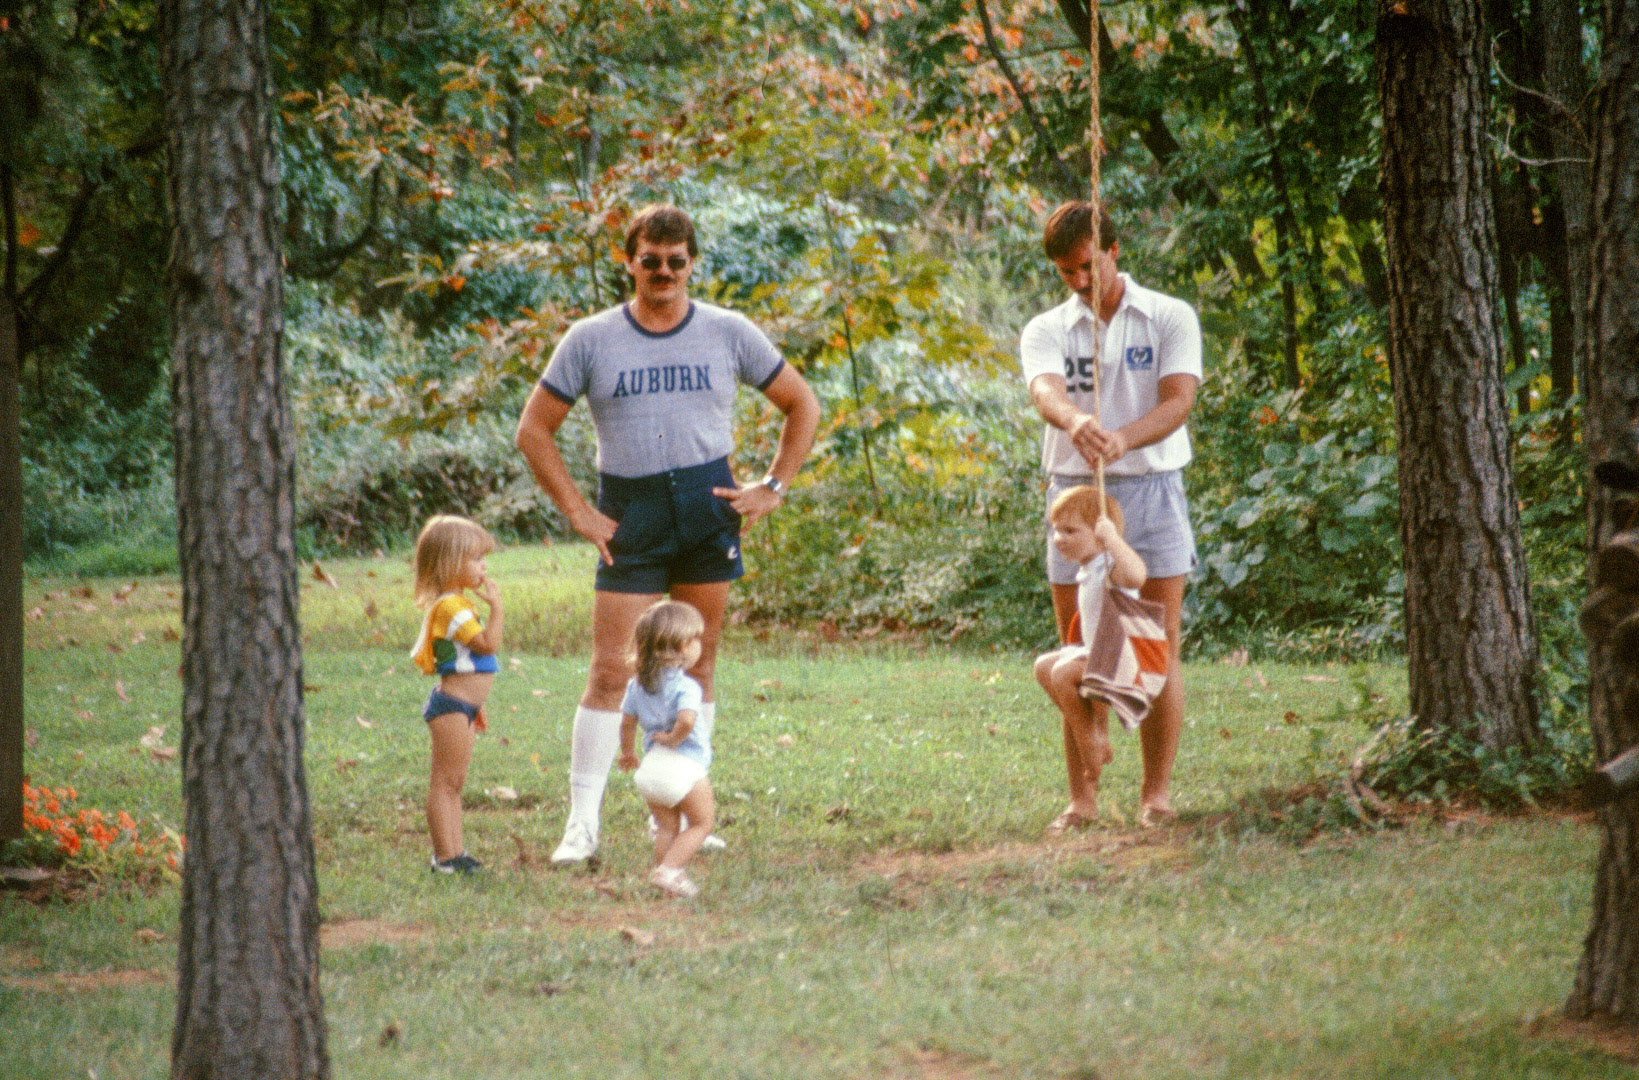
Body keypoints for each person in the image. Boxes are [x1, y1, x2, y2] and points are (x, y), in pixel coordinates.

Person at [516, 203, 820, 865]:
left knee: (698, 663)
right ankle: (581, 826)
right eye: (649, 260)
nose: (662, 272)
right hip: (632, 511)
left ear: (691, 264)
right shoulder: (591, 339)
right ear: (629, 262)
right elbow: (532, 430)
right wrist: (576, 509)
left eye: (675, 262)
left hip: (707, 506)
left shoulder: (727, 331)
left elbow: (802, 403)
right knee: (609, 671)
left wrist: (773, 485)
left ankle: (689, 809)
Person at [1018, 201, 1202, 826]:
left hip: (1149, 486)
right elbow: (1043, 389)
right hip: (1074, 489)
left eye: (1087, 266)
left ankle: (1156, 794)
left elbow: (1179, 400)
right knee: (1077, 644)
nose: (1078, 281)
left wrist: (1125, 437)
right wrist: (1075, 421)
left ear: (1113, 250)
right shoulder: (1047, 327)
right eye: (1066, 272)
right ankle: (1084, 799)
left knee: (1157, 645)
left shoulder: (1170, 316)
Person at [1032, 487, 1146, 833]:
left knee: (1066, 672)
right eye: (1056, 530)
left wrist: (1113, 541)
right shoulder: (1087, 568)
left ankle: (1090, 742)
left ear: (1099, 532)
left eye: (1069, 531)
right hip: (1098, 655)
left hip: (1123, 660)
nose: (1058, 538)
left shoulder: (1111, 566)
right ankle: (1095, 731)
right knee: (1044, 666)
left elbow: (1138, 575)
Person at [409, 515, 504, 873]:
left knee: (455, 784)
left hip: (464, 706)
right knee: (445, 782)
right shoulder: (452, 607)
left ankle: (456, 853)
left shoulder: (459, 604)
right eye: (476, 559)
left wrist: (477, 703)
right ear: (451, 562)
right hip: (452, 705)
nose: (483, 567)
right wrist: (498, 608)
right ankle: (445, 857)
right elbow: (487, 644)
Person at [616, 600, 715, 898]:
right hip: (683, 766)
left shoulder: (637, 685)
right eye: (696, 639)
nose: (699, 644)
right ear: (685, 646)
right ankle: (670, 870)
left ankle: (667, 882)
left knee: (666, 828)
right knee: (702, 823)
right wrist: (674, 738)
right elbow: (686, 719)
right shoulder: (688, 687)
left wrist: (627, 753)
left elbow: (627, 723)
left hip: (651, 768)